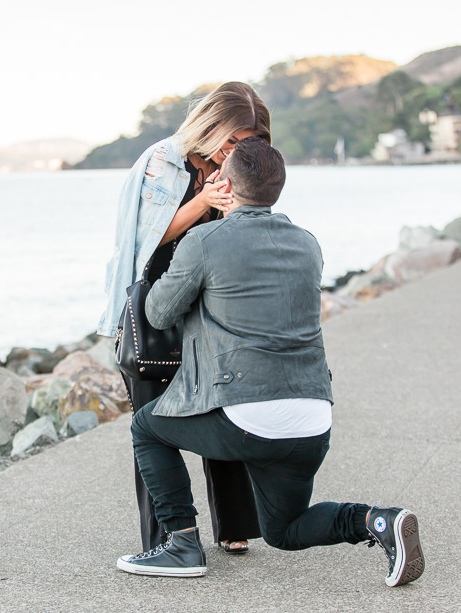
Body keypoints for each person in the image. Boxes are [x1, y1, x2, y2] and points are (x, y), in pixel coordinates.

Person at [115, 137, 426, 586]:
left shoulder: (204, 241)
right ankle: (379, 521)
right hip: (312, 420)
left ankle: (182, 546)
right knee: (285, 530)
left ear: (225, 185)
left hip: (247, 419)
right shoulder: (307, 243)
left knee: (147, 427)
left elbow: (158, 313)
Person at [98, 82, 270, 553]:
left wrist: (238, 211)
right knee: (151, 422)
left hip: (211, 305)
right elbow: (145, 241)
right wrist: (203, 202)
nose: (232, 152)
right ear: (210, 124)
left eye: (245, 144)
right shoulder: (164, 160)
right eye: (230, 140)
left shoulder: (236, 167)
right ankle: (168, 537)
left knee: (222, 410)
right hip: (154, 306)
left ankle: (234, 525)